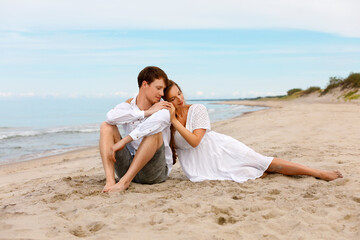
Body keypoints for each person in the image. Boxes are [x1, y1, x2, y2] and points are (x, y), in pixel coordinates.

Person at [163, 80, 343, 182]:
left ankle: (318, 173)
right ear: (166, 101)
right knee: (256, 172)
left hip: (221, 150)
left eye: (180, 93)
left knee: (265, 162)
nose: (180, 98)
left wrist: (173, 121)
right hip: (199, 166)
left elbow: (195, 141)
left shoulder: (197, 109)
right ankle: (262, 172)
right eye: (173, 97)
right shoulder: (166, 122)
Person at [99, 66, 173, 192]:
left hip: (154, 171)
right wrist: (145, 113)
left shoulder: (163, 106)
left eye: (163, 89)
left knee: (154, 132)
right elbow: (110, 117)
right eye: (158, 88)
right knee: (106, 126)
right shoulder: (129, 106)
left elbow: (156, 123)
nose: (161, 93)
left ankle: (124, 183)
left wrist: (124, 141)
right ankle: (110, 181)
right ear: (145, 84)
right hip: (129, 166)